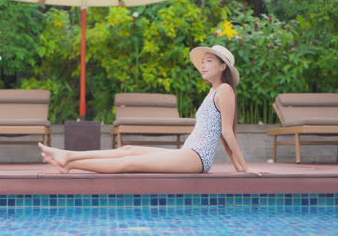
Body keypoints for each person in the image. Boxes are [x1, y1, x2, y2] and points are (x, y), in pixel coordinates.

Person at [40, 45, 256, 174]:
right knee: (128, 150)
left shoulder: (225, 90)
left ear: (222, 66)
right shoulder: (213, 91)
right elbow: (221, 131)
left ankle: (71, 162)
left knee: (129, 162)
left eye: (209, 61)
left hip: (197, 157)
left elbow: (227, 132)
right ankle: (68, 156)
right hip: (188, 153)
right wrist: (238, 167)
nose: (203, 65)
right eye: (202, 62)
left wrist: (244, 168)